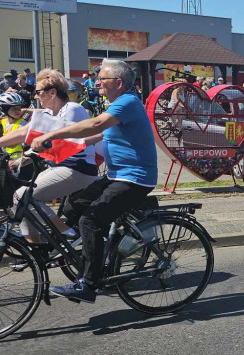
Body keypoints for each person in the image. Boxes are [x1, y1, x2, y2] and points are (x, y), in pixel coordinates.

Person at [32, 59, 157, 303]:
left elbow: (95, 124)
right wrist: (52, 147)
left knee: (90, 220)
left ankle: (89, 284)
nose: (97, 82)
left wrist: (52, 134)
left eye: (102, 79)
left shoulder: (128, 102)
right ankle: (96, 253)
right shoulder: (117, 105)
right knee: (73, 206)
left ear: (118, 83)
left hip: (136, 178)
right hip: (116, 175)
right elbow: (96, 135)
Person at [0, 70, 101, 244]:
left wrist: (26, 154)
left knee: (21, 197)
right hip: (61, 167)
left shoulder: (72, 109)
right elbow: (23, 132)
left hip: (78, 168)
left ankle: (70, 234)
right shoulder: (50, 112)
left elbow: (55, 140)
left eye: (38, 92)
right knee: (23, 200)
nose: (35, 96)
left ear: (52, 92)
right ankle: (34, 247)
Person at [0, 92, 29, 159]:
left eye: (19, 108)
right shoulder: (3, 121)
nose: (18, 111)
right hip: (6, 157)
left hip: (20, 159)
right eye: (14, 108)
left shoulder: (23, 124)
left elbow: (12, 144)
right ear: (5, 109)